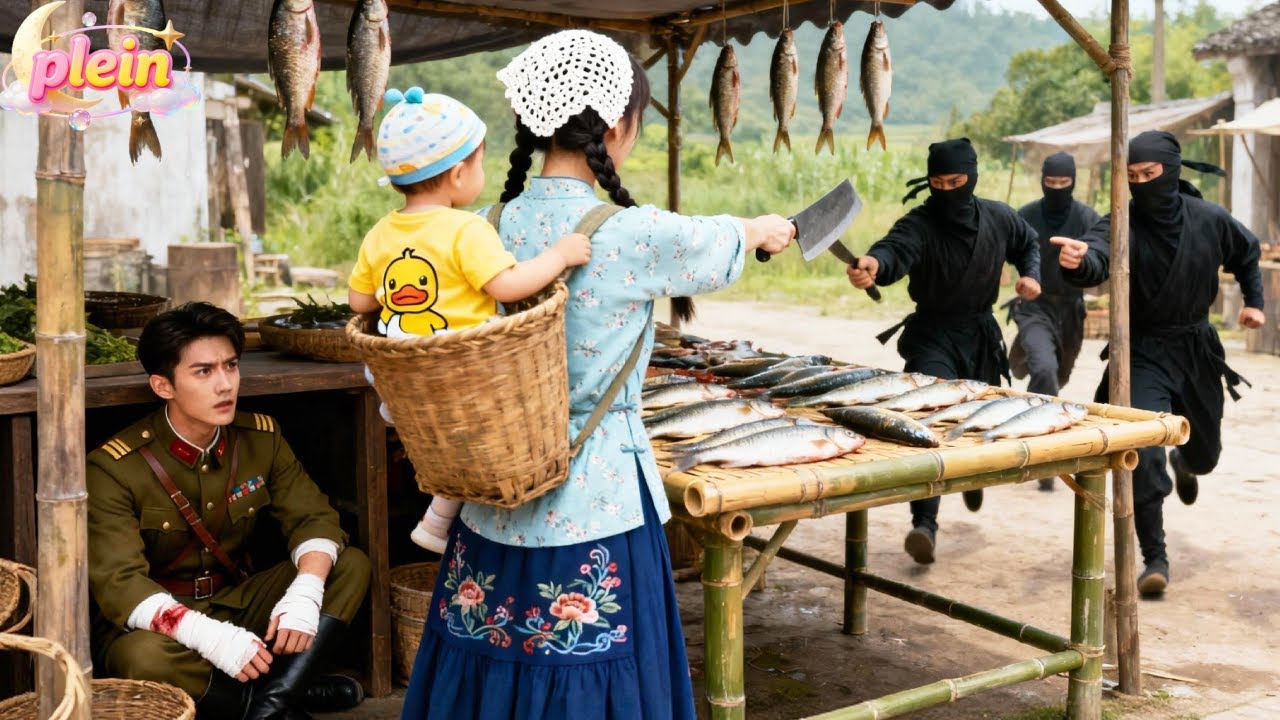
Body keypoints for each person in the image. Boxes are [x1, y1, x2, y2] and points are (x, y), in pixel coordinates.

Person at [399, 30, 794, 719]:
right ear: (616, 126)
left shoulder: (483, 225)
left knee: (489, 655)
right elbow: (724, 238)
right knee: (594, 668)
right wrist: (763, 228)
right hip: (595, 498)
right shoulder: (629, 231)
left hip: (492, 495)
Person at [87, 302, 370, 720]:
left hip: (237, 599)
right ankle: (285, 698)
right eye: (203, 371)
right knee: (142, 659)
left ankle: (269, 705)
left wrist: (305, 592)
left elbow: (313, 519)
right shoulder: (114, 467)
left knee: (348, 563)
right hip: (161, 621)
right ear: (163, 385)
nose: (225, 385)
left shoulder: (261, 439)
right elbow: (120, 584)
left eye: (231, 366)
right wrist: (208, 636)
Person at [346, 89, 593, 554]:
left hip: (401, 377)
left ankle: (408, 440)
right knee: (490, 430)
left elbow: (359, 301)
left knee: (422, 410)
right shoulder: (466, 230)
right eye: (479, 163)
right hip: (463, 374)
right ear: (459, 173)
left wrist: (387, 289)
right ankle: (439, 519)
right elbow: (508, 285)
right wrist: (559, 255)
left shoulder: (380, 233)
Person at [1053, 130, 1264, 597]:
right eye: (1132, 176)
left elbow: (1246, 253)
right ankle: (1155, 556)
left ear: (1171, 171)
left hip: (1196, 349)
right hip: (1142, 351)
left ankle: (1186, 464)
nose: (1142, 183)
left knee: (1206, 456)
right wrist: (1076, 262)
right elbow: (1097, 258)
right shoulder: (1121, 222)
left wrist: (1254, 301)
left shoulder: (1209, 219)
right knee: (1144, 452)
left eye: (1150, 174)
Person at [847, 137, 1042, 565]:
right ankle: (924, 524)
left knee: (978, 419)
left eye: (956, 181)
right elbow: (895, 248)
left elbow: (1029, 243)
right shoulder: (920, 223)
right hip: (932, 334)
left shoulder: (1000, 218)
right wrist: (875, 266)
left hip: (980, 336)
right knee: (930, 419)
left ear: (972, 177)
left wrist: (1030, 276)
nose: (948, 190)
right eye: (938, 182)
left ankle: (971, 474)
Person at [1008, 152, 1102, 491]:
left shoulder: (1088, 218)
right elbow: (1003, 250)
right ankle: (1042, 454)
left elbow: (1102, 257)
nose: (1057, 188)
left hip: (1072, 312)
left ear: (1073, 181)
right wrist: (1021, 279)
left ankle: (1032, 423)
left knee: (1055, 378)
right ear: (1043, 182)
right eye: (1051, 183)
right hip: (1034, 307)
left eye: (1064, 183)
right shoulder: (1027, 216)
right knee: (1044, 369)